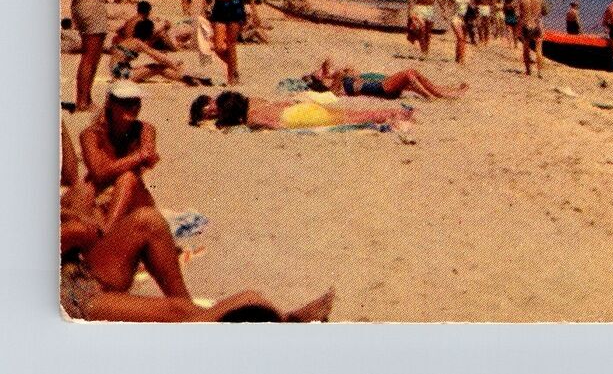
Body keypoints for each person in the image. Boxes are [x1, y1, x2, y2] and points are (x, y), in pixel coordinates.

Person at [60, 126, 334, 322]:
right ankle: (284, 325)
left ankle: (194, 313)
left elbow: (71, 173)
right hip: (67, 294)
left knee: (148, 220)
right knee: (241, 300)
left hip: (81, 268)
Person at [78, 82, 159, 226]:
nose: (133, 107)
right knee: (84, 190)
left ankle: (107, 235)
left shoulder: (145, 129)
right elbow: (99, 173)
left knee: (127, 179)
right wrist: (139, 156)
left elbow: (150, 158)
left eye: (136, 102)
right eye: (126, 103)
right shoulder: (90, 134)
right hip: (100, 196)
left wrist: (141, 158)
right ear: (110, 104)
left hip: (133, 198)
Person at [64, 0, 117, 113]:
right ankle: (83, 101)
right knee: (91, 56)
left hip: (77, 2)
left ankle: (84, 99)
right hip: (92, 1)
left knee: (88, 55)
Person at [190, 91, 416, 130]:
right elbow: (277, 104)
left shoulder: (248, 117)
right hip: (300, 108)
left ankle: (395, 114)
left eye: (208, 108)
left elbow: (275, 125)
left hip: (297, 117)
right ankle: (395, 112)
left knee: (351, 117)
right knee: (352, 114)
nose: (210, 112)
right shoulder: (250, 102)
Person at [107, 18, 209, 86]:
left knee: (155, 67)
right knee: (157, 68)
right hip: (120, 75)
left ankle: (187, 77)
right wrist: (174, 66)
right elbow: (157, 56)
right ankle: (186, 78)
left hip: (116, 72)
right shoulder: (137, 43)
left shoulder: (130, 41)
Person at [205, 0, 256, 85]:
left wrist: (254, 12)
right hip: (219, 8)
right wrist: (203, 11)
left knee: (231, 45)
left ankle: (231, 78)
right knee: (218, 47)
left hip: (234, 7)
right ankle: (235, 69)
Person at [304, 59, 467, 100]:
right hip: (382, 87)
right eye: (317, 73)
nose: (320, 70)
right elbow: (334, 92)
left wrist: (341, 73)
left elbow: (328, 63)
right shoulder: (335, 87)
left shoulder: (340, 78)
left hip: (383, 85)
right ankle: (430, 97)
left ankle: (448, 92)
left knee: (414, 77)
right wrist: (337, 74)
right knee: (410, 73)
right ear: (320, 80)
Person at [516, 0, 548, 77]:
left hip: (525, 24)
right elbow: (545, 12)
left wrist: (519, 28)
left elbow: (518, 14)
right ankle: (540, 72)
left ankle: (528, 71)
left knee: (526, 48)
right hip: (537, 25)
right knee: (539, 49)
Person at [448, 0, 470, 64]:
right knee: (460, 38)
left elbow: (470, 6)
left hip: (464, 18)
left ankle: (458, 58)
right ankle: (461, 59)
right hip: (455, 18)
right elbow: (449, 5)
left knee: (463, 39)